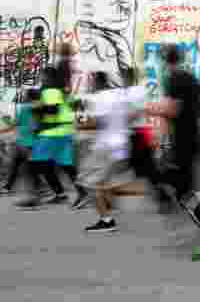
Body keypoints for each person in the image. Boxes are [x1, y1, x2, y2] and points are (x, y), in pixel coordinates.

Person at [144, 44, 200, 261]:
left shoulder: (173, 79)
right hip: (192, 143)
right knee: (181, 190)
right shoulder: (191, 78)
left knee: (178, 189)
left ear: (164, 60)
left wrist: (149, 108)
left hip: (183, 145)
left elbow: (172, 110)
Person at [78, 69, 147, 234]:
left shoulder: (99, 98)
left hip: (105, 147)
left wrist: (80, 120)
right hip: (121, 144)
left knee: (89, 182)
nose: (90, 84)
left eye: (91, 81)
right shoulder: (119, 94)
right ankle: (111, 204)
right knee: (104, 182)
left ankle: (106, 220)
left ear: (97, 82)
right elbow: (133, 114)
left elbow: (97, 122)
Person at [16, 66, 87, 211]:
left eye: (42, 76)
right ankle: (78, 193)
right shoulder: (64, 92)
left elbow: (52, 109)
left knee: (33, 164)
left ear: (48, 77)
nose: (40, 78)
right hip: (65, 132)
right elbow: (77, 105)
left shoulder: (50, 91)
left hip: (51, 132)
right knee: (65, 166)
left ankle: (34, 199)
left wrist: (37, 107)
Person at [0, 89, 40, 196]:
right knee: (22, 167)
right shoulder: (32, 108)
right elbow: (19, 124)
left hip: (25, 143)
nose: (24, 97)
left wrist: (7, 121)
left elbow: (18, 124)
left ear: (29, 97)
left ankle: (10, 188)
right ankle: (8, 187)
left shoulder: (27, 108)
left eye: (26, 95)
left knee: (23, 167)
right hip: (25, 143)